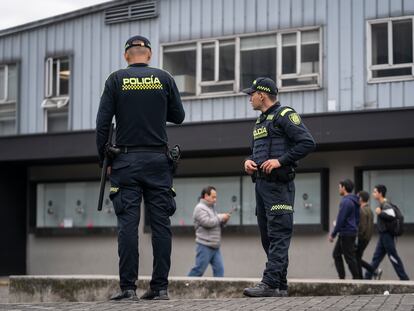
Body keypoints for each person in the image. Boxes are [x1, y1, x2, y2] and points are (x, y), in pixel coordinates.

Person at [96, 35, 185, 301]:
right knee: (161, 226)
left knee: (127, 226)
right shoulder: (164, 78)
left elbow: (102, 123)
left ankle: (128, 289)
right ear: (148, 55)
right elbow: (178, 116)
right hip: (159, 162)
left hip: (125, 161)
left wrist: (104, 158)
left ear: (126, 55)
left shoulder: (115, 79)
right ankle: (160, 289)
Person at [242, 77, 315, 297]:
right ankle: (280, 286)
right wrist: (248, 161)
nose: (250, 98)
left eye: (252, 94)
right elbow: (257, 151)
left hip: (279, 187)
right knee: (268, 237)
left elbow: (307, 142)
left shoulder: (284, 115)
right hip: (262, 187)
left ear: (262, 95)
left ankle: (270, 282)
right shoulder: (260, 122)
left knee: (279, 235)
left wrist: (280, 161)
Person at [364, 185, 409, 280]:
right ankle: (367, 277)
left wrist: (380, 213)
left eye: (375, 192)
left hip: (387, 236)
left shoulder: (386, 204)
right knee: (376, 257)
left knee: (393, 256)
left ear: (380, 193)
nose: (373, 194)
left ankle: (404, 278)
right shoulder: (382, 204)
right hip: (383, 235)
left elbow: (392, 216)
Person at [187, 186, 231, 277]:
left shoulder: (211, 208)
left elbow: (216, 223)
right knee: (199, 270)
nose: (215, 200)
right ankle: (184, 287)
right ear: (206, 196)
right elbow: (208, 222)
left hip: (215, 246)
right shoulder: (200, 208)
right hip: (204, 245)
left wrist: (224, 220)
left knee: (219, 271)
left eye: (216, 197)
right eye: (213, 197)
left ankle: (219, 291)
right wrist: (221, 217)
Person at [329, 179, 360, 279]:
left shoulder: (346, 201)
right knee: (337, 254)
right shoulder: (354, 200)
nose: (339, 189)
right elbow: (357, 218)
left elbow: (341, 219)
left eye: (339, 187)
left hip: (346, 232)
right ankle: (342, 278)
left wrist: (333, 234)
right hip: (349, 231)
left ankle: (357, 279)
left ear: (344, 187)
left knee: (349, 257)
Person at [356, 191, 375, 279]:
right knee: (357, 257)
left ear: (360, 199)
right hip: (367, 238)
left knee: (356, 258)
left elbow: (362, 226)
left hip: (362, 238)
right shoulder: (370, 210)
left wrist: (358, 236)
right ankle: (362, 276)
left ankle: (372, 271)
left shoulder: (362, 210)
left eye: (357, 197)